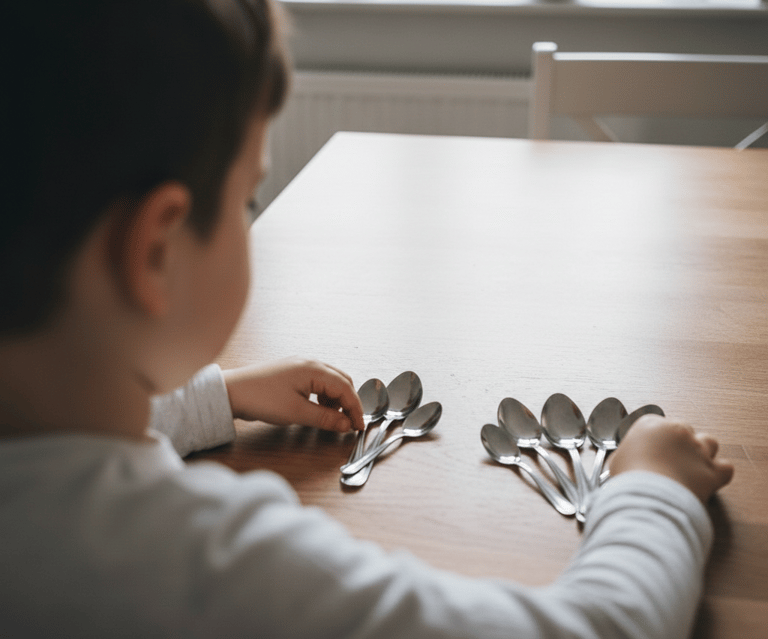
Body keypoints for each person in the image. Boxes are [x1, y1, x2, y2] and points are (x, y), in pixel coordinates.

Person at [0, 1, 734, 637]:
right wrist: (652, 489)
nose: (251, 218)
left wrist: (216, 395)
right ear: (156, 252)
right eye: (246, 201)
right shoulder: (217, 570)